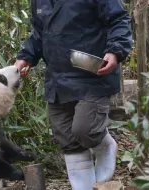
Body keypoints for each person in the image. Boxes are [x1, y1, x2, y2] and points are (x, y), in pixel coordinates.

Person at [14, 0, 132, 189]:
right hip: (58, 80)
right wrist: (26, 56)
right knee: (68, 139)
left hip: (93, 74)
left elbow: (118, 19)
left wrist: (116, 50)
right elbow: (39, 32)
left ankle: (105, 145)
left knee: (86, 130)